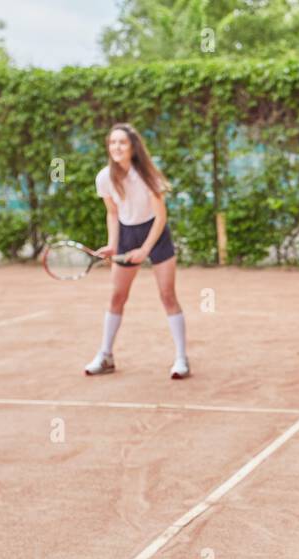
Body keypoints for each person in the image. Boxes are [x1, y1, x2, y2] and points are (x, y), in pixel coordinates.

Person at [85, 123, 189, 379]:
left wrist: (145, 249)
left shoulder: (148, 177)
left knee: (167, 295)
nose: (116, 147)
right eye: (112, 143)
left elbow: (160, 216)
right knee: (117, 297)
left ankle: (181, 358)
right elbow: (112, 212)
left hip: (155, 233)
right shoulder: (104, 178)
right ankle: (106, 355)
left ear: (133, 147)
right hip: (126, 233)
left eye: (122, 142)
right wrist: (112, 244)